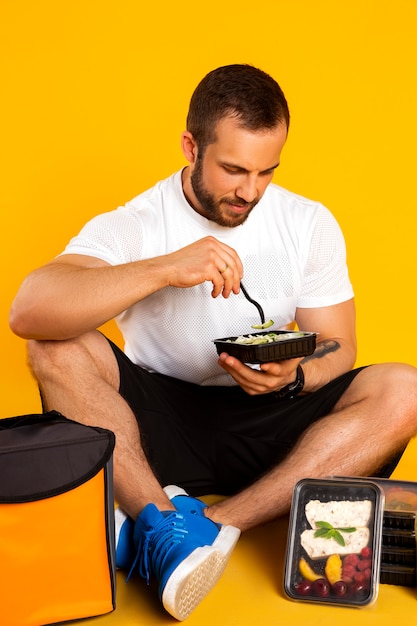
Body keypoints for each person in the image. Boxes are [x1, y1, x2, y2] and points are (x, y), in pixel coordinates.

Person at [9, 64, 417, 620]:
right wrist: (165, 268)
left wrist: (295, 374)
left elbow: (339, 346)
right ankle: (156, 510)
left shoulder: (308, 222)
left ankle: (197, 529)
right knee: (53, 345)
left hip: (274, 424)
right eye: (232, 169)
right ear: (190, 146)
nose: (249, 191)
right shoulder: (138, 221)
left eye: (266, 172)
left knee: (406, 389)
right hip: (157, 427)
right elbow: (29, 309)